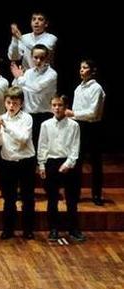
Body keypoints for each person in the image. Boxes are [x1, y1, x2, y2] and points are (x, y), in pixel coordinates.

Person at [38, 94, 84, 242]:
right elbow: (42, 146)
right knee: (52, 199)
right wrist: (42, 164)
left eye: (60, 105)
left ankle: (73, 229)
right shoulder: (45, 125)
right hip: (52, 162)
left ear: (66, 107)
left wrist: (68, 164)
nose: (57, 108)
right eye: (54, 105)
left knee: (71, 199)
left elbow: (75, 149)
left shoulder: (74, 125)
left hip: (69, 164)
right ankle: (53, 229)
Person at [0, 86, 36, 240]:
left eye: (15, 103)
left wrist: (5, 126)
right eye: (9, 102)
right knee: (8, 198)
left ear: (21, 104)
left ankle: (28, 230)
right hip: (7, 162)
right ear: (5, 102)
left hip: (25, 162)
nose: (11, 106)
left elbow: (23, 138)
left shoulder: (27, 118)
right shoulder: (1, 119)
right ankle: (8, 229)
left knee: (27, 197)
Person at [66, 59, 106, 206]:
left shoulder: (96, 88)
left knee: (96, 163)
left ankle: (97, 194)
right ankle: (74, 193)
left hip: (92, 128)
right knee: (77, 160)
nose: (81, 70)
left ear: (93, 70)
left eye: (85, 67)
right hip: (79, 126)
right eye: (80, 67)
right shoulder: (78, 88)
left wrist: (73, 113)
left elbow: (93, 113)